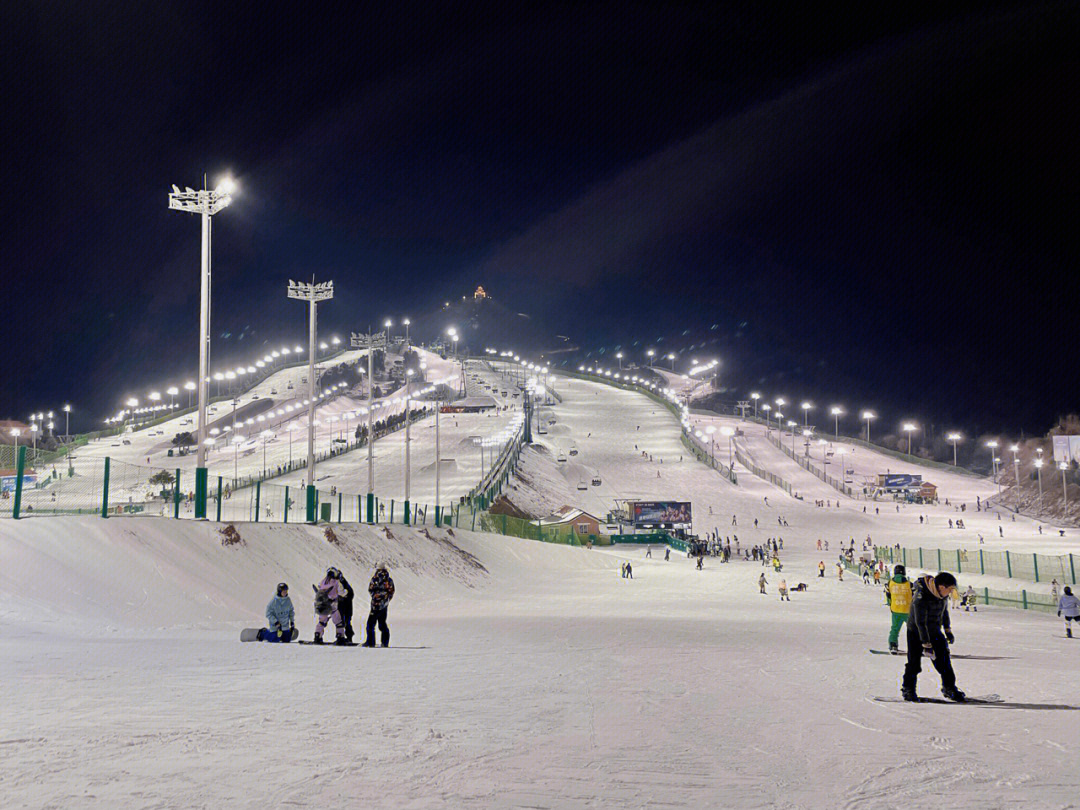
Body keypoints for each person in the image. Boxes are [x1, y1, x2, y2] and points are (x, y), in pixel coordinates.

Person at [902, 572, 964, 702]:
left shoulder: (942, 596)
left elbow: (944, 612)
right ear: (942, 587)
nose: (951, 592)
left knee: (944, 661)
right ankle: (908, 689)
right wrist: (926, 644)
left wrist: (947, 630)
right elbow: (920, 622)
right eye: (950, 589)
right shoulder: (921, 597)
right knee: (914, 663)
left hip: (934, 630)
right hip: (916, 632)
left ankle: (949, 688)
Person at [313, 568, 349, 645]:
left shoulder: (322, 581)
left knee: (322, 621)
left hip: (323, 605)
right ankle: (340, 637)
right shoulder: (337, 582)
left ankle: (317, 635)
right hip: (332, 605)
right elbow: (342, 592)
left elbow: (319, 587)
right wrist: (346, 592)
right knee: (338, 621)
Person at [363, 563, 395, 647]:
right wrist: (386, 599)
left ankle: (370, 642)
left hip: (375, 605)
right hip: (384, 605)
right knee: (382, 624)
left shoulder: (375, 578)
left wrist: (376, 597)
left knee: (370, 624)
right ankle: (384, 642)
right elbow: (391, 591)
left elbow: (370, 590)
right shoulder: (388, 579)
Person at [884, 564, 911, 653]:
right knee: (914, 630)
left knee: (895, 629)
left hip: (896, 609)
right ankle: (917, 646)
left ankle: (893, 645)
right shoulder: (909, 584)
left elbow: (888, 595)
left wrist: (890, 604)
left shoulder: (890, 583)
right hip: (908, 610)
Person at [337, 570, 355, 641]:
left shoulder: (343, 583)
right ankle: (344, 636)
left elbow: (350, 594)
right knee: (343, 622)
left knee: (346, 622)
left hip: (346, 607)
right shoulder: (342, 583)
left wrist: (344, 598)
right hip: (344, 607)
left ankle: (348, 637)